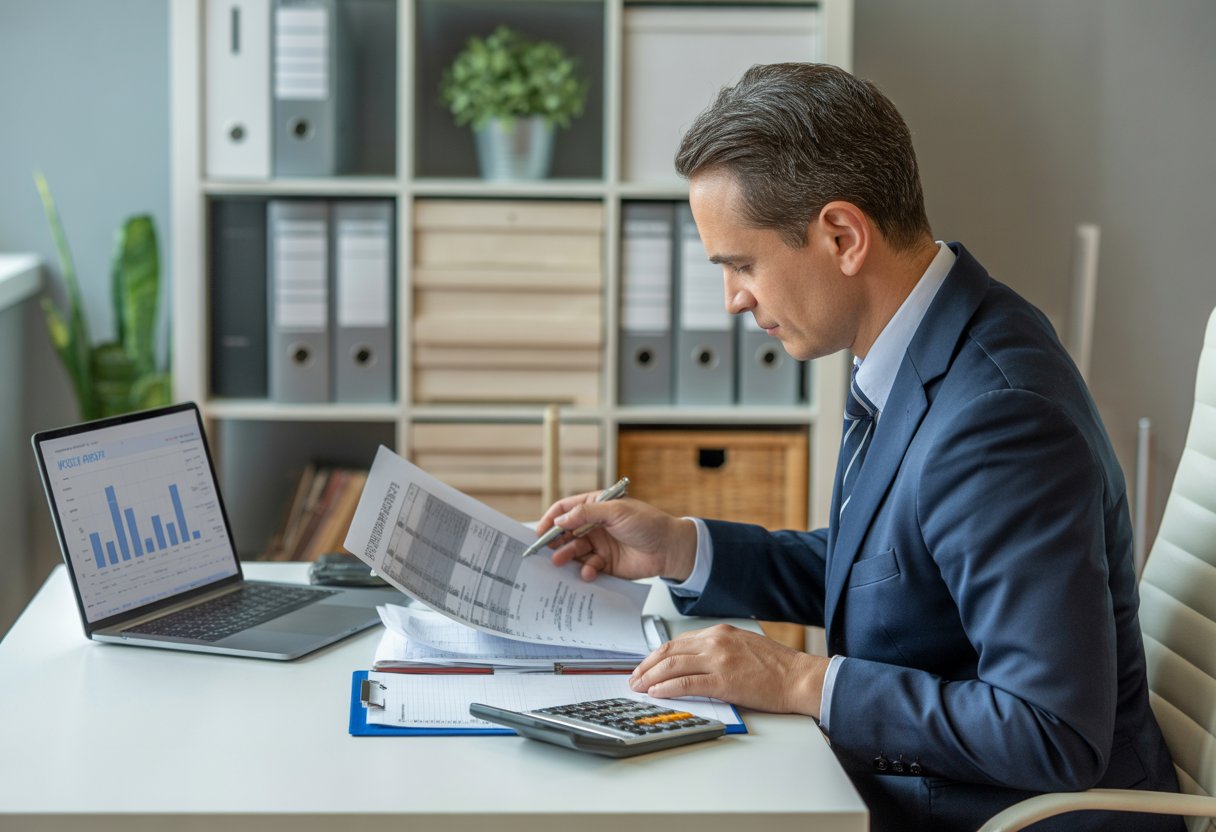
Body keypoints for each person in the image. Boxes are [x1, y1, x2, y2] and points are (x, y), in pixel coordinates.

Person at [534, 63, 1182, 832]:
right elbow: (891, 576)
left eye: (741, 264)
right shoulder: (922, 339)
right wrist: (680, 548)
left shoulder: (1000, 416)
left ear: (842, 236)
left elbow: (1050, 732)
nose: (733, 299)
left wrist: (802, 681)